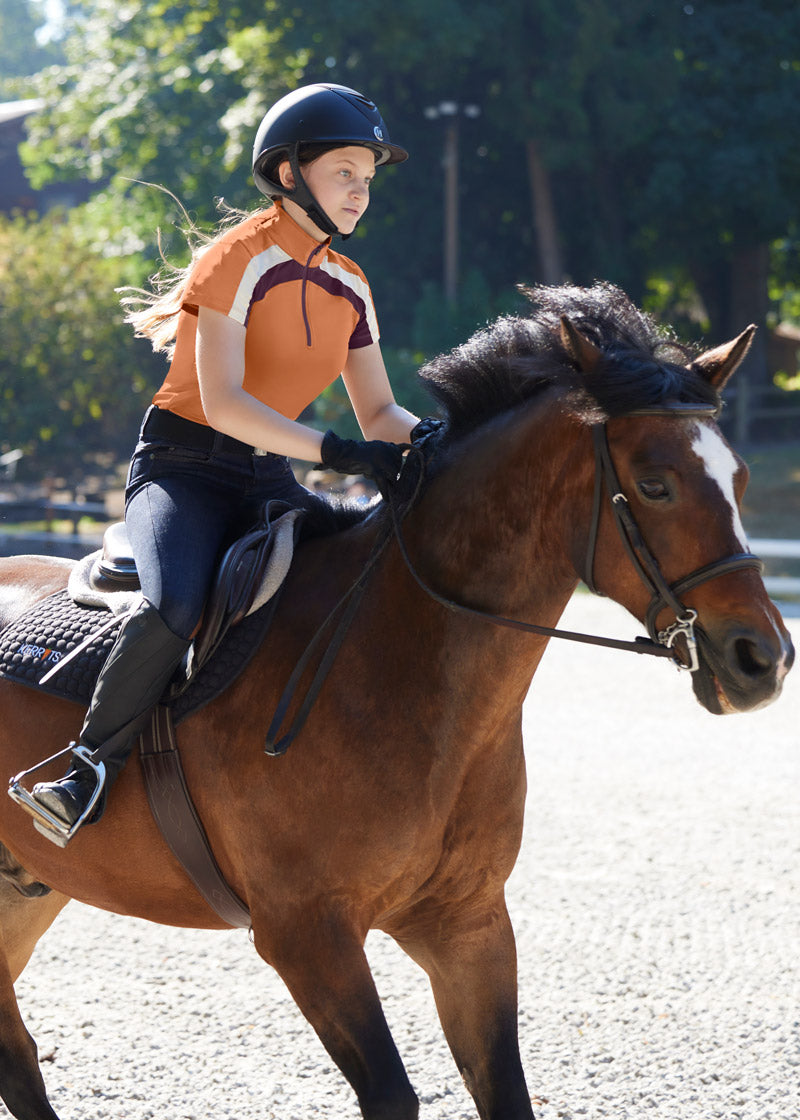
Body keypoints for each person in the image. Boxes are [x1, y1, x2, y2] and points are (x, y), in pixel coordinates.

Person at [22, 82, 422, 844]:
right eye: (345, 173)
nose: (360, 193)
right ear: (287, 173)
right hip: (184, 469)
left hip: (266, 479)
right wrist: (338, 453)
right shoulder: (235, 260)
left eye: (367, 179)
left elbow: (380, 414)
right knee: (175, 604)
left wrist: (434, 439)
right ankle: (83, 770)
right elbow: (228, 403)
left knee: (362, 576)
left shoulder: (352, 285)